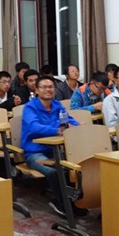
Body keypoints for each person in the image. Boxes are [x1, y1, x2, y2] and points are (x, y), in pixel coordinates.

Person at [21, 75, 83, 217]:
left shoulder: (57, 105)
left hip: (54, 150)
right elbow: (34, 127)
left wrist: (77, 126)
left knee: (74, 167)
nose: (48, 90)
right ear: (37, 90)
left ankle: (73, 202)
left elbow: (68, 121)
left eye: (50, 87)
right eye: (44, 87)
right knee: (53, 172)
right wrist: (57, 129)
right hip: (34, 153)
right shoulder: (30, 107)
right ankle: (60, 203)